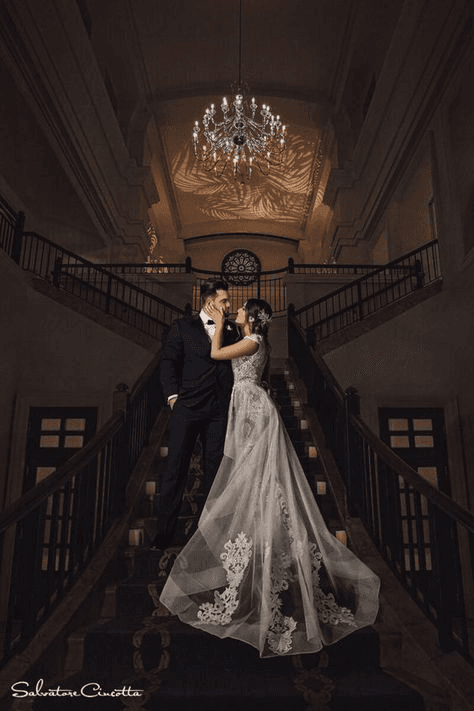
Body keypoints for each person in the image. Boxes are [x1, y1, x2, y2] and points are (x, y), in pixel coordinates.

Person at [159, 298, 380, 658]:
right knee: (251, 480)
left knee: (258, 479)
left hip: (253, 408)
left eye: (243, 309)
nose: (238, 312)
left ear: (255, 318)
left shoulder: (255, 342)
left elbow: (217, 355)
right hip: (245, 405)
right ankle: (257, 557)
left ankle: (268, 566)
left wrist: (215, 324)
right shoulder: (253, 341)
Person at [150, 279, 241, 550]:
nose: (229, 305)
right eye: (224, 301)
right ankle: (163, 536)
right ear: (208, 301)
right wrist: (173, 398)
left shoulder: (233, 330)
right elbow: (168, 363)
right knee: (174, 471)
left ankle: (210, 538)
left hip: (219, 410)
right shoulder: (181, 327)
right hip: (187, 408)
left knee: (216, 472)